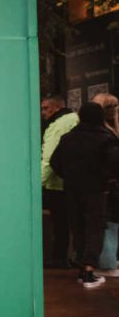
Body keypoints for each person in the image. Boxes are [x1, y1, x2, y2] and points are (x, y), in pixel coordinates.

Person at [51, 102, 119, 288]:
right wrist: (106, 178)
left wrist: (69, 176)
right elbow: (115, 164)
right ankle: (89, 271)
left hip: (72, 189)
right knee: (94, 227)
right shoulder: (106, 138)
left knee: (78, 226)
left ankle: (82, 268)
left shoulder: (67, 138)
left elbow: (54, 162)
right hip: (97, 190)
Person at [41, 94, 78, 268]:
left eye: (45, 108)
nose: (42, 112)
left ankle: (59, 259)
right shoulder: (71, 119)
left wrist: (38, 183)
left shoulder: (60, 124)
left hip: (59, 184)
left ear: (56, 107)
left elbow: (49, 158)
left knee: (60, 224)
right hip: (70, 181)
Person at [92, 93, 119, 271]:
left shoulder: (106, 132)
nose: (114, 111)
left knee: (110, 223)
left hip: (109, 185)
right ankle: (110, 261)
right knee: (112, 222)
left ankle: (109, 262)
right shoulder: (109, 133)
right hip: (111, 185)